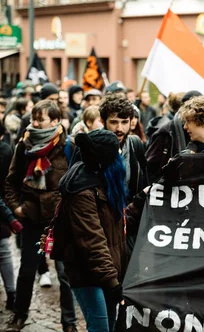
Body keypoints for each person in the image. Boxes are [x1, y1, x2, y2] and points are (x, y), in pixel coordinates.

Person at [3, 99, 78, 332]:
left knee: (65, 275)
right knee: (27, 271)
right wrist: (17, 208)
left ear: (55, 121)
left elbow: (78, 182)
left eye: (40, 119)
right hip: (32, 218)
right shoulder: (23, 146)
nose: (34, 123)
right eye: (33, 118)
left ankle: (69, 323)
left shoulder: (69, 146)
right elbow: (11, 181)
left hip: (61, 220)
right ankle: (19, 316)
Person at [57, 129, 128, 332]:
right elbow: (92, 242)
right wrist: (113, 283)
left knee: (110, 324)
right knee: (100, 327)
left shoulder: (101, 182)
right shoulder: (83, 192)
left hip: (105, 270)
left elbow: (116, 223)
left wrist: (141, 200)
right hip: (86, 271)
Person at [0, 123, 22, 311]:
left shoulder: (6, 151)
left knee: (4, 250)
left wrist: (10, 216)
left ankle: (12, 294)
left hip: (2, 207)